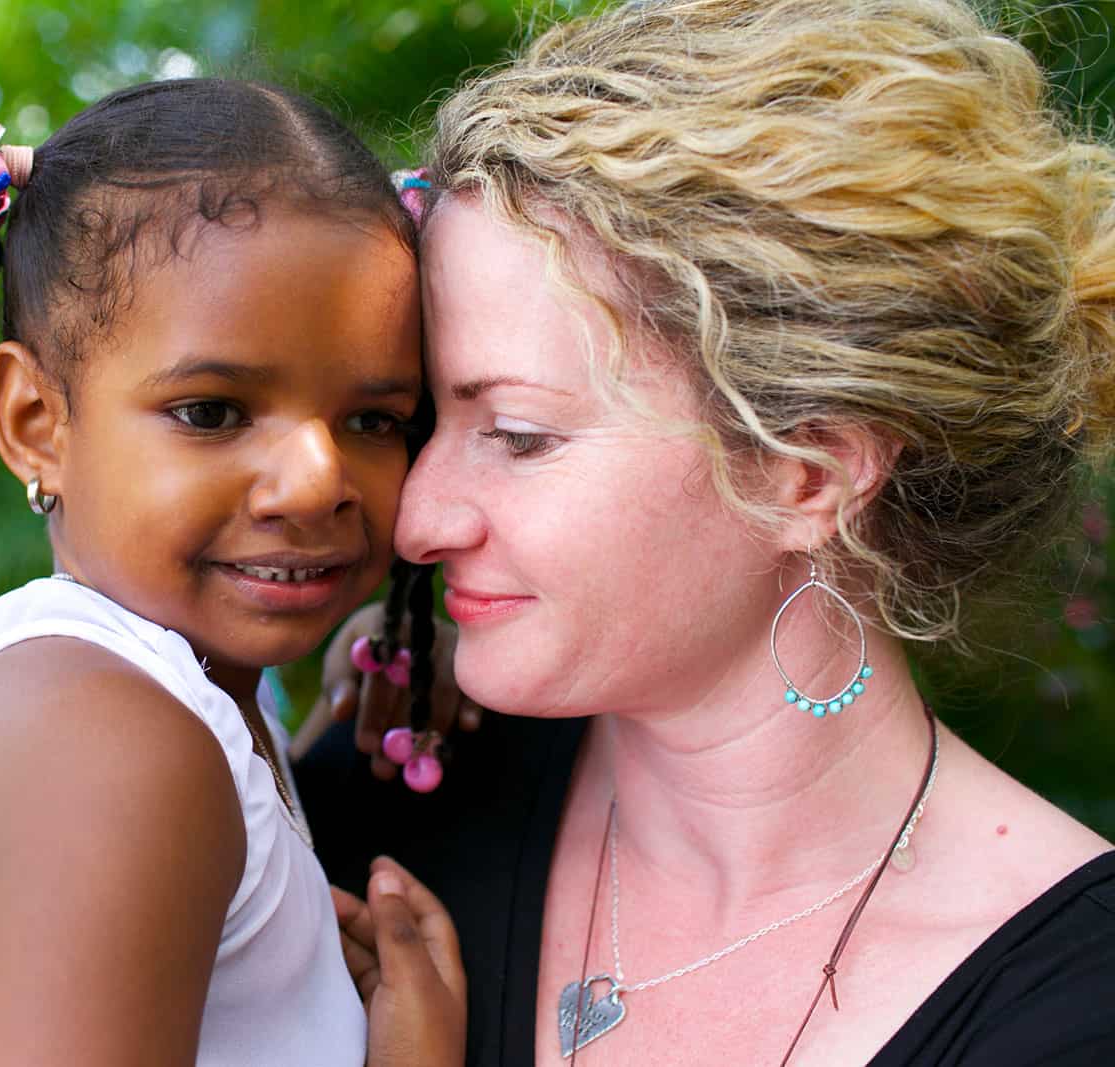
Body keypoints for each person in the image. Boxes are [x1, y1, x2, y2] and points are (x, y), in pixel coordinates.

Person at [299, 0, 1115, 1063]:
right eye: (419, 421)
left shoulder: (1070, 1015)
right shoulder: (389, 806)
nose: (415, 519)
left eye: (517, 433)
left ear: (803, 473)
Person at [0, 79, 465, 1066]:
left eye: (374, 419)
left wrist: (343, 696)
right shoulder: (110, 746)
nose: (317, 481)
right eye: (211, 411)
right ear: (35, 422)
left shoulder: (168, 705)